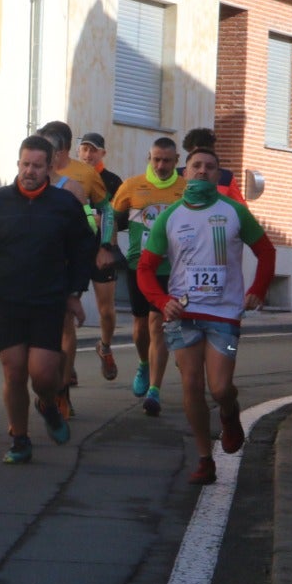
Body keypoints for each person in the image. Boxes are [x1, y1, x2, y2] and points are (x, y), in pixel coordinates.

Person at [0, 136, 93, 466]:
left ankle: (47, 403)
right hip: (7, 300)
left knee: (43, 375)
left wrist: (74, 293)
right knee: (14, 373)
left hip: (47, 300)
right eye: (25, 164)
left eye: (37, 166)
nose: (29, 171)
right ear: (18, 164)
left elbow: (83, 249)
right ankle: (20, 438)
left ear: (49, 167)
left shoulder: (64, 205)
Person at [138, 146, 276, 484]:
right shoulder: (170, 216)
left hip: (225, 314)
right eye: (196, 166)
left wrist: (258, 288)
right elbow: (145, 268)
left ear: (218, 175)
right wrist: (161, 300)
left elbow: (266, 251)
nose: (202, 171)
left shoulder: (233, 211)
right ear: (185, 173)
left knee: (220, 387)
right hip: (183, 314)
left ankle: (229, 413)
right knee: (191, 385)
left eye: (210, 167)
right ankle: (204, 458)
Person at [37, 119, 110, 419]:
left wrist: (103, 244)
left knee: (65, 325)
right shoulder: (29, 174)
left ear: (61, 151)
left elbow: (104, 211)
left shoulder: (81, 179)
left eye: (48, 149)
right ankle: (47, 384)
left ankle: (62, 389)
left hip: (65, 261)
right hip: (33, 264)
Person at [111, 136, 185, 416]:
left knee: (158, 324)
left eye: (167, 160)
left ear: (177, 161)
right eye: (156, 159)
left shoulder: (186, 189)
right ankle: (144, 362)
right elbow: (112, 220)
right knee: (141, 327)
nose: (161, 165)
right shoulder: (131, 186)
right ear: (149, 158)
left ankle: (154, 389)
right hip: (139, 266)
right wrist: (108, 246)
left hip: (172, 269)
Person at [79, 132, 125, 380]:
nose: (88, 154)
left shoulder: (113, 181)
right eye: (84, 149)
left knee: (106, 310)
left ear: (102, 154)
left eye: (93, 150)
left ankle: (105, 347)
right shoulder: (70, 177)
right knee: (66, 311)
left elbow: (120, 218)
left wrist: (106, 225)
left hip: (102, 252)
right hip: (75, 252)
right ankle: (67, 366)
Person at [179, 127, 245, 203]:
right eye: (198, 153)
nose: (202, 171)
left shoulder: (226, 177)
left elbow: (240, 207)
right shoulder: (176, 175)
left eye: (206, 152)